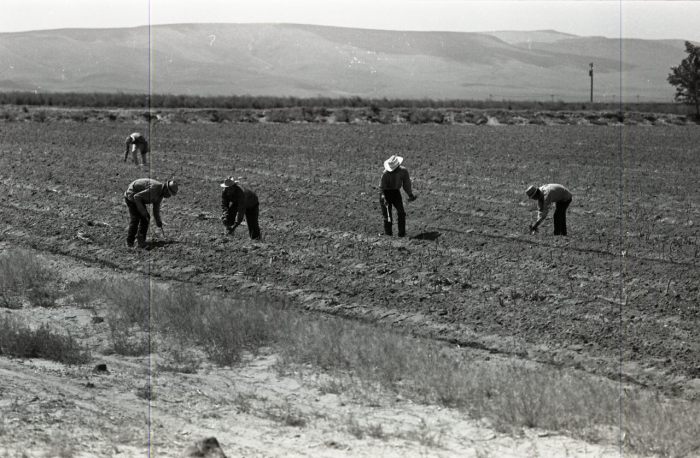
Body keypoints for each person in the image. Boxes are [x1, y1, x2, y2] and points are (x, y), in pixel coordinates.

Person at [124, 178, 178, 248]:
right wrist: (143, 212)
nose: (169, 196)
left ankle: (141, 241)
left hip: (139, 198)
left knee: (146, 218)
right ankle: (129, 243)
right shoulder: (154, 189)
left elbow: (156, 208)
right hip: (131, 195)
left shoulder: (160, 194)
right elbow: (136, 197)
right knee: (136, 218)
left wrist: (158, 221)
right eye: (169, 194)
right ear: (166, 189)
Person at [379, 155, 416, 237]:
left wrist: (410, 194)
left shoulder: (403, 171)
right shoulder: (385, 174)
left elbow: (406, 184)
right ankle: (388, 236)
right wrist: (384, 198)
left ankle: (401, 234)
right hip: (385, 193)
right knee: (388, 216)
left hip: (396, 192)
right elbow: (381, 188)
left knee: (401, 213)